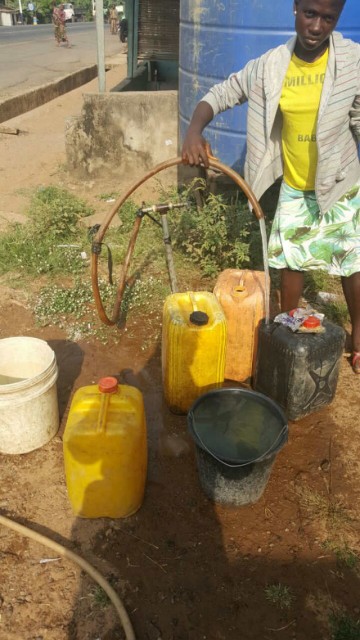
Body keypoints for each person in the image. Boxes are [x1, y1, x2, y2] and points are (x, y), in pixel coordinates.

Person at [181, 0, 360, 373]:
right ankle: (289, 342)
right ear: (295, 9)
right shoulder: (270, 66)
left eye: (328, 18)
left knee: (351, 264)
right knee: (290, 262)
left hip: (340, 181)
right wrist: (194, 131)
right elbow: (221, 93)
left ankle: (358, 337)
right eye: (310, 14)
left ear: (337, 19)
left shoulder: (352, 62)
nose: (316, 26)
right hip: (296, 184)